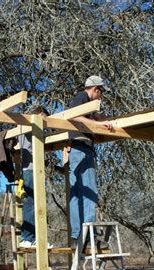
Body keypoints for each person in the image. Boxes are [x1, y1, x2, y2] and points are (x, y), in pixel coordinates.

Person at [68, 75, 113, 244]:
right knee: (90, 193)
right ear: (95, 89)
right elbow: (74, 116)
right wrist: (98, 126)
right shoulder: (81, 97)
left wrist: (101, 119)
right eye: (101, 92)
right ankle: (89, 234)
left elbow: (92, 117)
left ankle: (77, 235)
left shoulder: (85, 104)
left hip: (76, 149)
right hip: (82, 148)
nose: (101, 96)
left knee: (77, 193)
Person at [18, 107, 54, 249]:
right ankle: (27, 238)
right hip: (31, 170)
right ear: (40, 114)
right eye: (44, 117)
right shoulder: (29, 124)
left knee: (35, 205)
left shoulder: (25, 125)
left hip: (31, 169)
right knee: (31, 205)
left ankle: (35, 239)